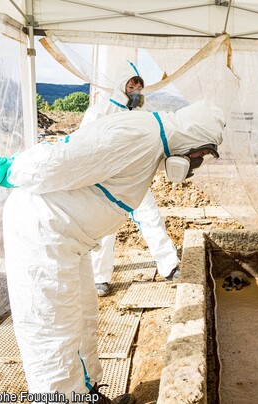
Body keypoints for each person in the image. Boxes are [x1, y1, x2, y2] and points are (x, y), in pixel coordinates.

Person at [0, 100, 225, 399]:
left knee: (81, 319)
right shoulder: (139, 136)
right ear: (192, 137)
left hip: (68, 238)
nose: (196, 161)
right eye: (200, 154)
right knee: (51, 331)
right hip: (44, 233)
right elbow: (61, 161)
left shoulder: (151, 141)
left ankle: (88, 393)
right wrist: (16, 170)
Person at [80, 61, 180, 297]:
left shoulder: (141, 115)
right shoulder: (98, 112)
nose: (137, 87)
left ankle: (169, 266)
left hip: (133, 178)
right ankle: (99, 278)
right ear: (121, 84)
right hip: (105, 180)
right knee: (106, 228)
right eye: (132, 82)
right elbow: (81, 146)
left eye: (140, 84)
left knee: (150, 216)